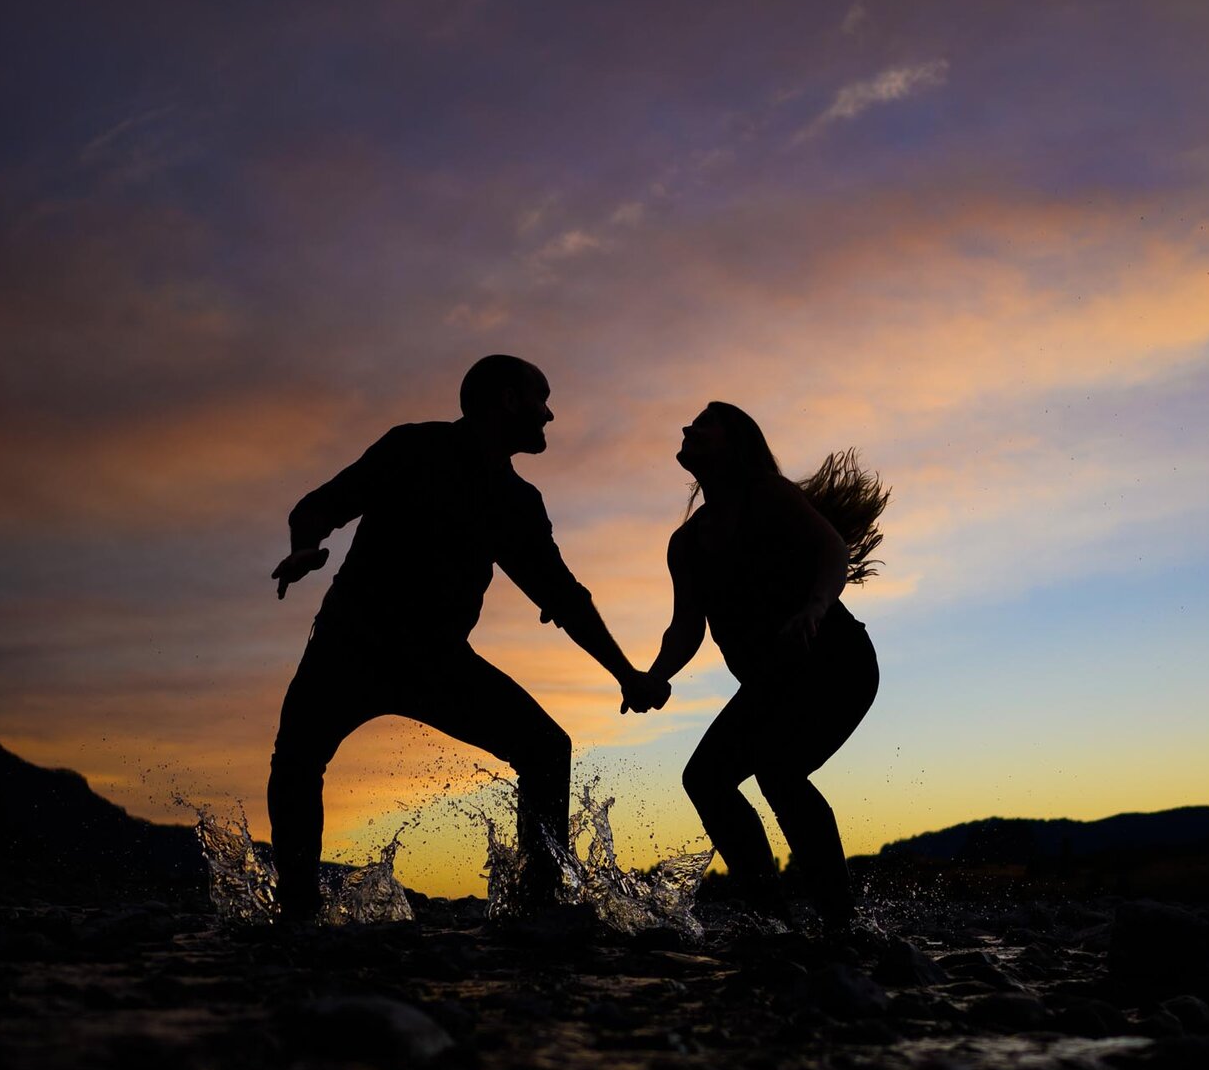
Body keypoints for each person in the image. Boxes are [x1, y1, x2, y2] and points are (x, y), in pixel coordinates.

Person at [267, 355, 665, 925]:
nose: (549, 414)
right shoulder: (411, 448)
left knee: (546, 750)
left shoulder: (517, 501)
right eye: (540, 398)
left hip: (437, 661)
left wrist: (625, 673)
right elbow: (317, 508)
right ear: (507, 400)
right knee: (297, 760)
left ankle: (536, 905)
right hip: (352, 644)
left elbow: (562, 596)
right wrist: (304, 545)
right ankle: (299, 908)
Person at [647, 402, 887, 934]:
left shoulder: (771, 497)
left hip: (836, 661)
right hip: (771, 683)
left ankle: (841, 925)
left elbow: (832, 550)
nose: (688, 427)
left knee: (779, 773)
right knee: (706, 780)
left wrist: (814, 608)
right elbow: (686, 630)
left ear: (736, 443)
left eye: (705, 422)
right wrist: (656, 674)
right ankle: (770, 920)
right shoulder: (686, 544)